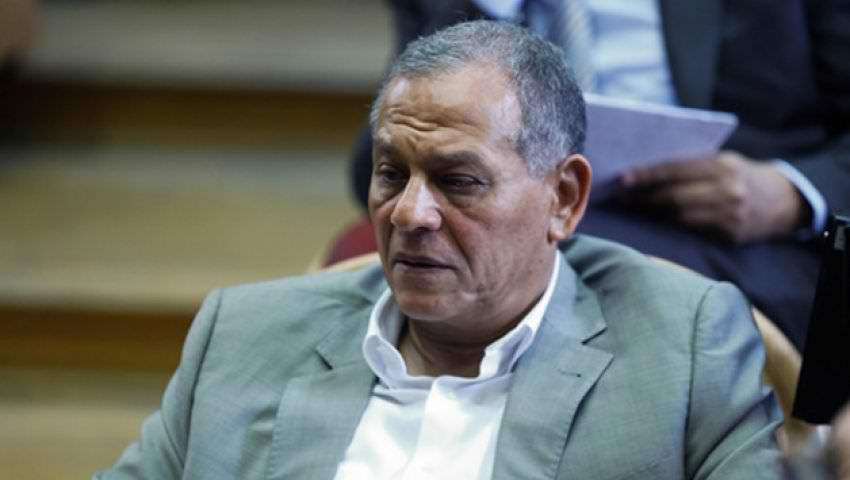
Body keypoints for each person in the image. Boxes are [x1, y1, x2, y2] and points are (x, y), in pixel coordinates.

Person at [96, 21, 781, 479]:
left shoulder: (684, 348)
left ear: (564, 198)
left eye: (458, 182)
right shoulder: (243, 334)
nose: (409, 213)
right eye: (391, 173)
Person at [347, 0, 850, 349]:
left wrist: (791, 191)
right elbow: (378, 161)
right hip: (513, 224)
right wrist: (480, 11)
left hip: (732, 234)